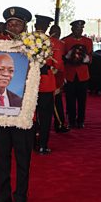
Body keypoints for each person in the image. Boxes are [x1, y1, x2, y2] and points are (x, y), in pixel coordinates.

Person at [0, 6, 34, 202]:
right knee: (0, 158)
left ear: (25, 26)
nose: (13, 26)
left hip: (22, 110)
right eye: (10, 23)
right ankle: (2, 198)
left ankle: (20, 199)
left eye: (17, 23)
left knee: (23, 159)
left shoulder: (35, 46)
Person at [33, 15, 64, 155]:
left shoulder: (25, 41)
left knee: (30, 115)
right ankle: (42, 145)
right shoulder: (55, 43)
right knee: (45, 116)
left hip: (29, 84)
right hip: (46, 84)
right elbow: (58, 66)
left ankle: (31, 142)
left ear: (35, 25)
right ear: (47, 28)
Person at [62, 20, 93, 129]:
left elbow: (90, 57)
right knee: (70, 99)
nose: (79, 31)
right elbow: (62, 58)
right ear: (72, 29)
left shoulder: (88, 41)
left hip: (83, 74)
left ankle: (81, 120)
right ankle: (71, 120)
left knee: (82, 99)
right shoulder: (65, 41)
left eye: (80, 29)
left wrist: (86, 59)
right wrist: (68, 58)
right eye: (76, 28)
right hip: (70, 74)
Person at [49, 25, 70, 133]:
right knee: (54, 102)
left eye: (59, 31)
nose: (57, 33)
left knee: (57, 102)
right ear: (50, 31)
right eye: (54, 31)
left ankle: (60, 123)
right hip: (49, 75)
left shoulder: (62, 44)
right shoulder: (45, 43)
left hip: (57, 75)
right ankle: (59, 123)